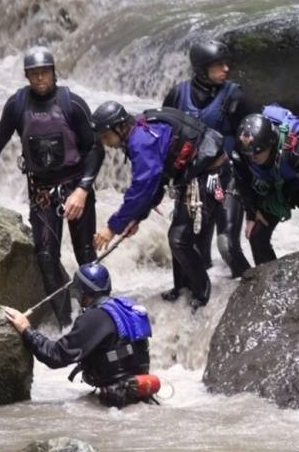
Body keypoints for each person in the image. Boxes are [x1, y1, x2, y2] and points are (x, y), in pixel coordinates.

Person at [0, 46, 102, 328]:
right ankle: (67, 322)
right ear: (27, 76)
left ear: (54, 73)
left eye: (45, 72)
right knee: (46, 257)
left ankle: (99, 317)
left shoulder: (73, 104)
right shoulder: (18, 105)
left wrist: (83, 190)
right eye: (34, 74)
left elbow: (95, 149)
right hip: (42, 191)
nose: (40, 78)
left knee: (86, 257)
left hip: (75, 187)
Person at [90, 101, 226, 310]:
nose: (106, 143)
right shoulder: (140, 129)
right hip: (192, 173)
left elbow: (143, 188)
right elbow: (155, 183)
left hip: (210, 172)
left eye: (106, 136)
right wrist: (137, 217)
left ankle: (202, 293)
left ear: (119, 127)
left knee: (179, 239)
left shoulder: (140, 140)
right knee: (177, 237)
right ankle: (181, 288)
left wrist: (112, 227)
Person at [3, 262, 160, 408]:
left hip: (116, 401)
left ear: (83, 292)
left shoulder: (94, 318)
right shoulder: (128, 308)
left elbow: (55, 355)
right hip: (141, 391)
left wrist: (26, 329)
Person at [161, 40, 251, 289]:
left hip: (225, 179)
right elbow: (165, 142)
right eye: (218, 65)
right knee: (191, 247)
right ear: (202, 69)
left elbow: (250, 146)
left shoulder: (235, 97)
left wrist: (254, 199)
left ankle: (250, 289)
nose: (226, 69)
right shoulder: (177, 95)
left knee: (227, 244)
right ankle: (197, 297)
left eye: (226, 63)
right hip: (193, 183)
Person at [232, 108, 299, 264]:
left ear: (271, 144)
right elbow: (244, 184)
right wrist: (251, 213)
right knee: (256, 236)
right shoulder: (242, 152)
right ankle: (267, 280)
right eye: (248, 154)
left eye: (257, 153)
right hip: (273, 184)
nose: (252, 158)